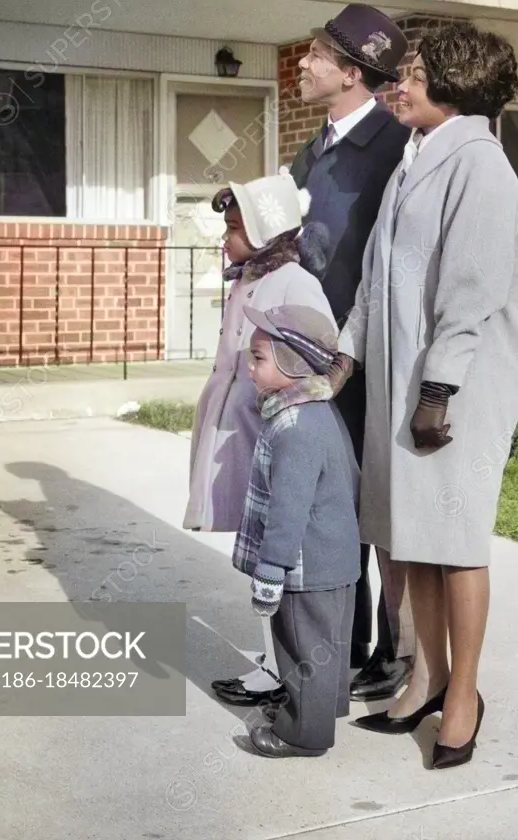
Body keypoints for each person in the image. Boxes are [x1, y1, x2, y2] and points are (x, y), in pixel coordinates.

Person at [337, 21, 518, 769]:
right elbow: (376, 274)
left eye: (413, 72)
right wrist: (346, 357)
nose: (399, 83)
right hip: (404, 377)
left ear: (451, 84)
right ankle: (425, 677)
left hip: (455, 389)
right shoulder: (414, 159)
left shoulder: (479, 166)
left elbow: (470, 293)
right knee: (412, 536)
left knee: (453, 543)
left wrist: (437, 392)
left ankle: (463, 697)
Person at [290, 4, 416, 702]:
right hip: (314, 354)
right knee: (329, 511)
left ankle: (383, 655)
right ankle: (345, 652)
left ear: (350, 71)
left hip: (363, 362)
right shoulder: (320, 146)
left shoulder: (396, 145)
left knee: (360, 512)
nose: (301, 64)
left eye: (314, 54)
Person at [183, 170, 335, 707]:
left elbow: (317, 358)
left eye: (233, 228)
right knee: (258, 549)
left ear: (267, 230)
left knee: (277, 551)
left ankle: (281, 668)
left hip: (270, 433)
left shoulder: (296, 284)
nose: (224, 238)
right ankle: (270, 660)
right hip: (239, 432)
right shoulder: (247, 279)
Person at [232, 303, 361, 758]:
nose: (249, 368)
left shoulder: (294, 427)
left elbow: (287, 510)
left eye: (258, 358)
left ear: (291, 362)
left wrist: (270, 571)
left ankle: (302, 734)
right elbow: (351, 477)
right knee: (326, 648)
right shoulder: (319, 413)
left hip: (305, 567)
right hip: (334, 560)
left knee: (301, 652)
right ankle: (321, 712)